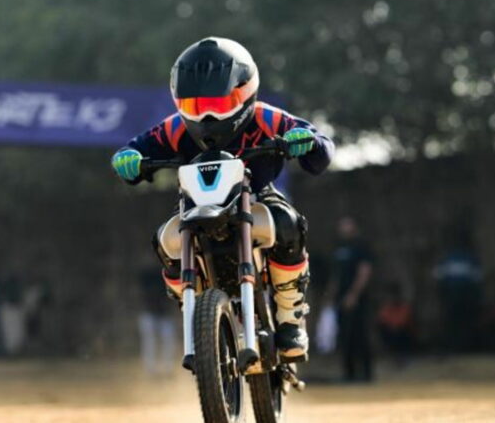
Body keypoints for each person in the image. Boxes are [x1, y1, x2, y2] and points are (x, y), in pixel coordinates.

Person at [111, 37, 334, 359]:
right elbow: (134, 148)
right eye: (194, 107)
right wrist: (127, 158)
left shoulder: (267, 118)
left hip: (257, 197)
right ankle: (193, 310)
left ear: (246, 92)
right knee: (166, 241)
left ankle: (290, 317)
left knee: (287, 224)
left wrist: (309, 142)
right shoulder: (174, 128)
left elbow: (321, 147)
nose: (206, 117)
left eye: (218, 104)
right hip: (195, 205)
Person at [330, 216, 374, 382]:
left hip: (358, 299)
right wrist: (332, 295)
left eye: (347, 225)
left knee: (360, 335)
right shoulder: (339, 248)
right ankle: (349, 374)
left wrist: (353, 295)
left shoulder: (361, 247)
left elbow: (364, 272)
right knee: (345, 336)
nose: (343, 228)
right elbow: (336, 275)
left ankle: (366, 373)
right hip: (341, 299)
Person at [434, 230, 483, 353]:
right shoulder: (461, 258)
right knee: (457, 322)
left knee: (459, 322)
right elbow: (477, 278)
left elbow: (439, 276)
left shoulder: (454, 257)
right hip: (456, 298)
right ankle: (457, 346)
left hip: (460, 298)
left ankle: (461, 346)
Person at [138, 268, 177, 377]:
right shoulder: (145, 276)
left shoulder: (169, 272)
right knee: (150, 343)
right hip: (149, 313)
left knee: (168, 341)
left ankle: (168, 369)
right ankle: (150, 370)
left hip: (164, 314)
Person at [377, 283, 414, 368]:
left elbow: (405, 320)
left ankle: (403, 357)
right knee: (386, 332)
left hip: (402, 332)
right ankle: (394, 357)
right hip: (390, 332)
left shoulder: (404, 306)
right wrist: (392, 326)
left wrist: (397, 326)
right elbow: (381, 319)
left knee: (404, 333)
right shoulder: (387, 307)